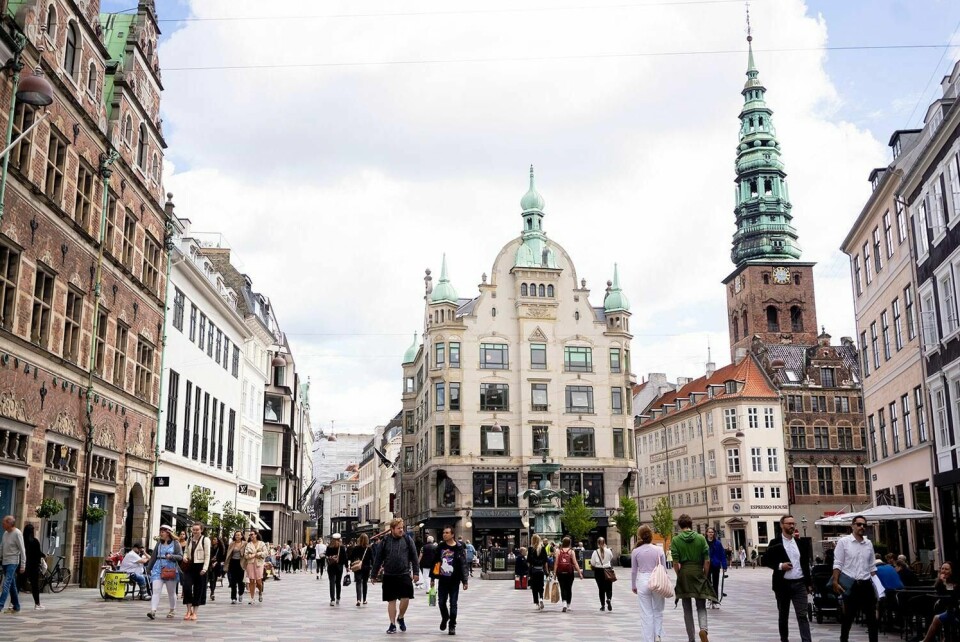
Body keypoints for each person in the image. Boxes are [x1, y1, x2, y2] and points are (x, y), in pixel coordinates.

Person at [764, 515, 812, 642]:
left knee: (802, 615)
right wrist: (780, 566)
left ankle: (806, 640)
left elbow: (805, 564)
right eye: (789, 523)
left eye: (793, 523)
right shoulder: (775, 543)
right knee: (783, 615)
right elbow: (766, 560)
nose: (791, 526)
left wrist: (809, 583)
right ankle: (784, 639)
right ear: (781, 525)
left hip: (799, 583)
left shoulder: (800, 543)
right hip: (782, 584)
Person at [832, 515, 879, 642]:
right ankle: (844, 639)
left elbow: (872, 566)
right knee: (848, 617)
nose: (862, 527)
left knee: (872, 618)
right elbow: (838, 563)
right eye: (859, 524)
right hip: (851, 584)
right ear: (852, 526)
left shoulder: (868, 543)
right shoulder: (844, 542)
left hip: (866, 583)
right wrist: (835, 581)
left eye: (864, 525)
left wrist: (879, 587)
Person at [372, 517, 420, 634]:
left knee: (406, 598)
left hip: (404, 573)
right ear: (392, 529)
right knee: (391, 600)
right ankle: (392, 624)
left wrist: (416, 572)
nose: (401, 530)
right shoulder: (385, 541)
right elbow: (378, 559)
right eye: (398, 528)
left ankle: (401, 617)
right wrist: (373, 574)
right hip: (389, 575)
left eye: (402, 528)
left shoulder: (408, 539)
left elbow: (414, 557)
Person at [671, 513, 714, 642]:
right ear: (690, 524)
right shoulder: (701, 538)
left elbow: (675, 562)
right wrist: (704, 575)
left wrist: (679, 575)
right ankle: (703, 629)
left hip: (684, 572)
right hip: (698, 572)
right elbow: (707, 561)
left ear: (680, 526)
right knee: (701, 605)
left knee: (687, 608)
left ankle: (691, 638)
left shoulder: (676, 540)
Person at [632, 525, 667, 642]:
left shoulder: (636, 551)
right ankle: (658, 634)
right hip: (657, 580)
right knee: (658, 610)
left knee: (646, 612)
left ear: (640, 537)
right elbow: (664, 569)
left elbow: (634, 571)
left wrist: (633, 585)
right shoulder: (659, 550)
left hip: (642, 580)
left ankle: (648, 639)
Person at [431, 525, 468, 636]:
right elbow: (436, 562)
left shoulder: (459, 547)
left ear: (452, 534)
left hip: (454, 580)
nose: (444, 534)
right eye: (443, 532)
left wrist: (465, 580)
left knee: (453, 604)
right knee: (441, 602)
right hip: (443, 580)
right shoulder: (440, 547)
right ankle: (445, 617)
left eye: (447, 532)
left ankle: (452, 625)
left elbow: (463, 564)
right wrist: (432, 578)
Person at [145, 524, 183, 620]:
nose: (161, 533)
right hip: (158, 567)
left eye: (163, 532)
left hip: (170, 568)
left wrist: (171, 556)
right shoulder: (159, 543)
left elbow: (180, 556)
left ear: (168, 533)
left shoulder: (175, 543)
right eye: (160, 531)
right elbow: (153, 556)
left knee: (171, 591)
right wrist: (149, 568)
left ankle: (172, 610)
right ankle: (153, 611)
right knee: (156, 590)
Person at [917, 561, 957, 642]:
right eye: (942, 569)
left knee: (937, 615)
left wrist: (945, 583)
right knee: (929, 612)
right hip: (942, 606)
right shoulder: (940, 582)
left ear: (952, 571)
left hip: (953, 608)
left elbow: (951, 596)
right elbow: (939, 592)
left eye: (946, 569)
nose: (944, 571)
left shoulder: (955, 583)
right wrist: (941, 581)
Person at [181, 523, 210, 621]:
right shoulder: (189, 539)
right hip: (190, 566)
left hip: (200, 566)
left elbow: (207, 556)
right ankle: (188, 610)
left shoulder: (205, 540)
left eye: (197, 530)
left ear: (201, 530)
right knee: (187, 587)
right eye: (194, 530)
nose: (195, 531)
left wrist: (205, 568)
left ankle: (195, 612)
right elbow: (185, 551)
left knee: (198, 589)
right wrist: (185, 557)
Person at [0, 515, 25, 614]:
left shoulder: (17, 533)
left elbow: (22, 550)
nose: (2, 524)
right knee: (12, 585)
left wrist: (23, 564)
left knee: (6, 584)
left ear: (10, 523)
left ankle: (0, 605)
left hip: (13, 561)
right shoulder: (5, 533)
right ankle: (17, 606)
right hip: (5, 561)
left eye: (4, 523)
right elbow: (2, 547)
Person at [552, 536, 584, 612]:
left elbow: (556, 563)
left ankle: (564, 604)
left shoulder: (558, 551)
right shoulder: (571, 551)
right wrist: (580, 573)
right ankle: (569, 605)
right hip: (569, 572)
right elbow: (575, 563)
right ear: (569, 543)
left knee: (562, 588)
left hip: (560, 572)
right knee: (569, 588)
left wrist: (555, 573)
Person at [22, 523, 43, 609]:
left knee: (19, 584)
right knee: (35, 586)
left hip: (24, 565)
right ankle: (37, 604)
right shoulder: (35, 541)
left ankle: (12, 603)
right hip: (34, 566)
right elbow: (38, 554)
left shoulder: (22, 541)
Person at [243, 530, 268, 604]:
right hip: (250, 563)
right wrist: (253, 555)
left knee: (258, 581)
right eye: (250, 535)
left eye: (252, 534)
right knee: (251, 580)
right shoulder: (248, 544)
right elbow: (246, 555)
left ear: (256, 535)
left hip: (259, 564)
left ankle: (260, 592)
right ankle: (252, 598)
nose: (251, 536)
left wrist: (259, 553)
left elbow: (266, 553)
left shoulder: (261, 543)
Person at [591, 536, 615, 611]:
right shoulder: (608, 551)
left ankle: (603, 605)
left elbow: (592, 563)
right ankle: (609, 599)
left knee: (601, 589)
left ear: (598, 543)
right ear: (604, 543)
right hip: (607, 570)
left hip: (598, 571)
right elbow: (611, 558)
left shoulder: (595, 552)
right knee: (609, 588)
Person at [705, 527, 727, 608]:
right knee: (707, 582)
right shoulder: (704, 542)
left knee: (715, 582)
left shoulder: (718, 543)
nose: (711, 534)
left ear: (714, 533)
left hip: (715, 564)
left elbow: (722, 554)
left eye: (712, 532)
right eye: (709, 532)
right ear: (706, 533)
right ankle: (708, 599)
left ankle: (715, 600)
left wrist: (724, 565)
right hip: (706, 564)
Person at [349, 533, 372, 606]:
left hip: (358, 567)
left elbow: (351, 557)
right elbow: (373, 559)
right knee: (365, 583)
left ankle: (358, 599)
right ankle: (364, 600)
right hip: (366, 568)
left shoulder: (356, 548)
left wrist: (351, 564)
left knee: (358, 582)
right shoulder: (369, 548)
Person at [527, 534, 549, 609]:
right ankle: (541, 598)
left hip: (533, 570)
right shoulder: (542, 548)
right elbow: (545, 560)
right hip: (541, 570)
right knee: (541, 585)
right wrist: (546, 571)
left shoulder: (530, 549)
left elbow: (529, 560)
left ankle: (536, 602)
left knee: (534, 587)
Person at [224, 531, 246, 604]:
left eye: (239, 535)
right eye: (236, 535)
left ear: (242, 536)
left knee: (240, 581)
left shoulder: (245, 543)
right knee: (233, 581)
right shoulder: (232, 543)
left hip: (241, 563)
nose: (237, 536)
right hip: (233, 563)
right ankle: (233, 598)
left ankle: (240, 593)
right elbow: (228, 553)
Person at [325, 533, 345, 605]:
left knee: (332, 582)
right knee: (338, 582)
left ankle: (332, 599)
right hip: (339, 567)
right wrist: (347, 567)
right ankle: (338, 598)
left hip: (331, 567)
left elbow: (326, 556)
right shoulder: (342, 547)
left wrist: (330, 558)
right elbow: (345, 558)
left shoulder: (329, 547)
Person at [207, 535, 225, 601]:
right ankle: (212, 591)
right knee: (210, 578)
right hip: (209, 564)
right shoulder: (210, 547)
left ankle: (212, 592)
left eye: (215, 539)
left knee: (213, 579)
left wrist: (216, 562)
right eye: (213, 539)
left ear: (218, 541)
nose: (213, 541)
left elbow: (222, 557)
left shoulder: (220, 548)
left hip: (216, 565)